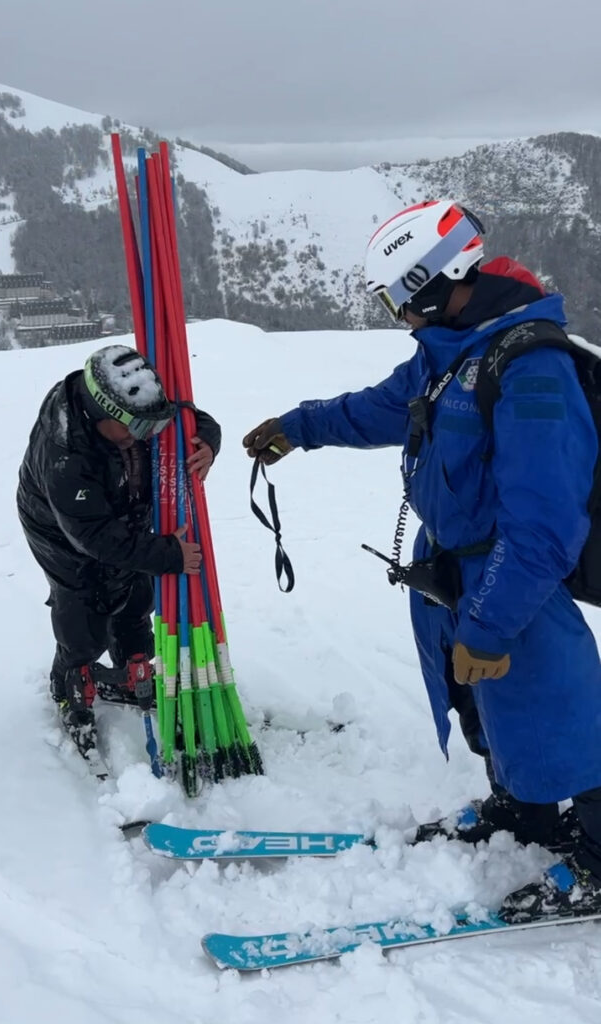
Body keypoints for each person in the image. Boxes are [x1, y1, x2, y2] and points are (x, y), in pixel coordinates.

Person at [242, 200, 601, 923]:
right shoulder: (447, 352)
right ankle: (525, 812)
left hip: (511, 576)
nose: (395, 314)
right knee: (484, 703)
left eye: (395, 298)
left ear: (433, 280)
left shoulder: (528, 366)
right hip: (452, 570)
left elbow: (542, 524)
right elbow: (377, 409)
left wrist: (491, 622)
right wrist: (298, 427)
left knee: (564, 713)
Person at [18, 343, 221, 764]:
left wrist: (208, 441)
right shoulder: (65, 453)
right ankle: (71, 677)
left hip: (121, 511)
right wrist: (168, 553)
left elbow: (187, 417)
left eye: (148, 426)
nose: (143, 436)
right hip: (61, 529)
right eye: (131, 428)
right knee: (83, 597)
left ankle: (132, 663)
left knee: (134, 588)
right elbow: (93, 536)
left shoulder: (135, 411)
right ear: (97, 414)